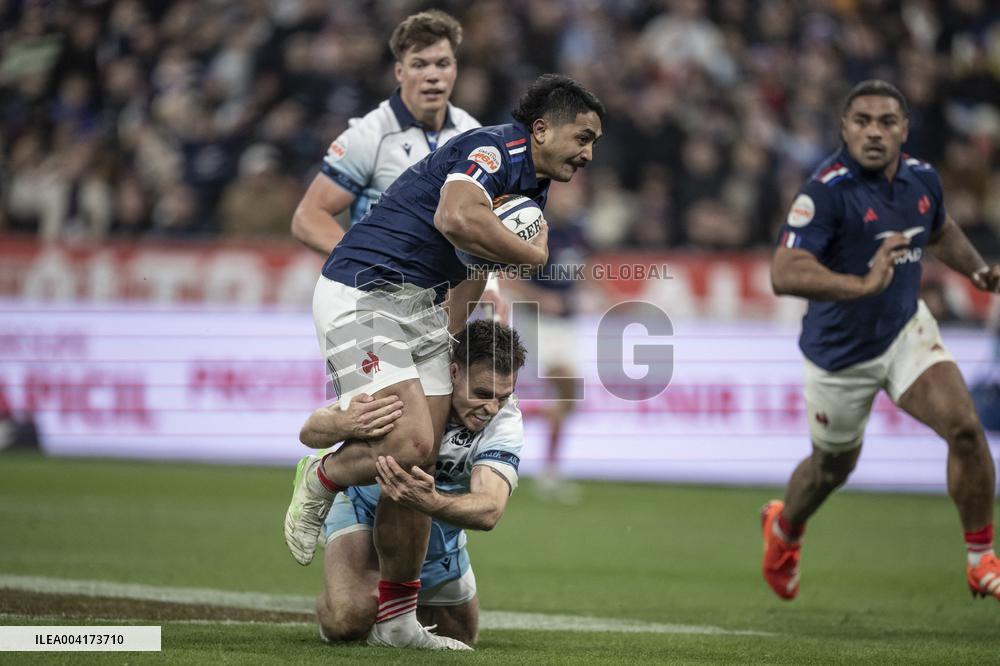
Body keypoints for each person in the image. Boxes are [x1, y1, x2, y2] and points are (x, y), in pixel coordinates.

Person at [283, 73, 605, 650]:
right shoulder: (494, 150)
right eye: (582, 138)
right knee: (408, 444)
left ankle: (398, 621)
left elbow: (474, 269)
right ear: (541, 129)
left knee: (418, 466)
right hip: (364, 290)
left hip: (422, 308)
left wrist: (448, 347)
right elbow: (454, 218)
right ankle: (322, 476)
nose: (587, 154)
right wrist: (532, 255)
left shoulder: (530, 187)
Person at [764, 80, 1000, 602]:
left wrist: (978, 271)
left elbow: (939, 230)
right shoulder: (825, 191)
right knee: (831, 468)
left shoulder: (922, 179)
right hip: (839, 354)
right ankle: (784, 529)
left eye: (886, 121)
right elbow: (783, 272)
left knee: (965, 428)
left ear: (904, 130)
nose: (874, 132)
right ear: (844, 129)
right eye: (863, 121)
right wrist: (862, 285)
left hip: (903, 331)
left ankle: (980, 558)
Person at [298, 320, 527, 648]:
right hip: (362, 504)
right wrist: (347, 423)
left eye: (503, 397)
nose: (491, 408)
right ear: (454, 372)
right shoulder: (411, 387)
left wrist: (428, 501)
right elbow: (309, 431)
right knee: (348, 620)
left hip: (436, 525)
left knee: (461, 635)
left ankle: (397, 601)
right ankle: (353, 591)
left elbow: (489, 509)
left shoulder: (505, 421)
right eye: (482, 394)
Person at [290, 10, 479, 256]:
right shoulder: (370, 135)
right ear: (400, 72)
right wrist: (362, 262)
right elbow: (308, 217)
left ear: (454, 69)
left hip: (451, 280)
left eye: (442, 64)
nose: (432, 76)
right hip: (383, 280)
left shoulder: (473, 133)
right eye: (419, 64)